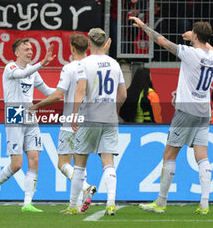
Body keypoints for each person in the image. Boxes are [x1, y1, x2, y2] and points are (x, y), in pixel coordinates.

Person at [130, 16, 213, 214]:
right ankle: (204, 203)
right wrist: (192, 37)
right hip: (204, 109)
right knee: (202, 156)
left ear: (194, 35)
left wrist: (143, 26)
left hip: (186, 109)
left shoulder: (188, 53)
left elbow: (161, 41)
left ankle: (161, 202)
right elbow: (205, 45)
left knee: (169, 154)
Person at [29, 33, 108, 213]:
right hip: (91, 120)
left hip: (70, 121)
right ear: (87, 47)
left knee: (63, 163)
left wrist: (38, 105)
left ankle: (85, 187)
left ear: (72, 48)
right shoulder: (93, 65)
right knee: (80, 163)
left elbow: (58, 94)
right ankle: (77, 204)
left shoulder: (69, 68)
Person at [0, 38, 55, 212]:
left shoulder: (34, 72)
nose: (30, 51)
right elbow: (21, 75)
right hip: (14, 113)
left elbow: (48, 91)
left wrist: (68, 89)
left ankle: (27, 203)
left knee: (35, 158)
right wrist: (42, 63)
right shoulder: (10, 67)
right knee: (17, 164)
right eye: (26, 49)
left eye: (31, 48)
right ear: (17, 53)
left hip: (30, 113)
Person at [65, 28, 127, 215]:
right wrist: (114, 110)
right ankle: (110, 201)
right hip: (109, 117)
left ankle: (73, 206)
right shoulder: (115, 64)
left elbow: (81, 89)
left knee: (79, 163)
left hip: (90, 117)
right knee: (108, 162)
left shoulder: (84, 63)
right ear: (105, 42)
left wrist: (74, 114)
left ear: (89, 42)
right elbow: (123, 94)